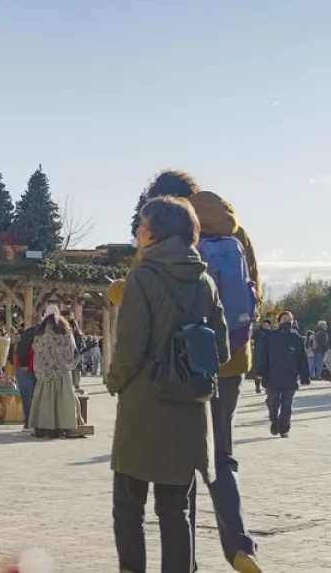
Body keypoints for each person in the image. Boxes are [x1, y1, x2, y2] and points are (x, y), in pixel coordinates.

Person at [134, 173, 265, 572]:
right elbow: (255, 292)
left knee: (181, 464)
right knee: (221, 456)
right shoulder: (234, 228)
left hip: (182, 361)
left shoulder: (166, 233)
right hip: (232, 359)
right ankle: (239, 544)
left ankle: (183, 563)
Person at [107, 196, 230, 573]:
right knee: (177, 510)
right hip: (191, 406)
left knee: (129, 505)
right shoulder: (205, 281)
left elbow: (130, 347)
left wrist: (114, 381)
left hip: (145, 406)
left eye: (142, 224)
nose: (137, 231)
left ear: (157, 232)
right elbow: (222, 349)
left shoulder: (142, 277)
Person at [29, 305, 81, 438]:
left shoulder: (40, 331)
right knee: (62, 400)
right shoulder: (64, 328)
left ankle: (42, 427)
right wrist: (64, 362)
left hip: (45, 372)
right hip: (62, 373)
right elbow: (71, 347)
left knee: (44, 399)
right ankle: (60, 427)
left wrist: (46, 362)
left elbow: (36, 348)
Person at [256, 312, 310, 437]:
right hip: (272, 376)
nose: (287, 322)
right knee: (272, 402)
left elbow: (302, 358)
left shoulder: (296, 339)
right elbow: (263, 356)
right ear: (279, 321)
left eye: (289, 320)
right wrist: (260, 371)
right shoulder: (270, 336)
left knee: (287, 405)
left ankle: (284, 428)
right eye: (284, 319)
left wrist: (304, 376)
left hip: (290, 377)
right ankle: (274, 420)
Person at [13, 323, 37, 431]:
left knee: (27, 395)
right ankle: (29, 421)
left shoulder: (32, 332)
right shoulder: (36, 333)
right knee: (30, 395)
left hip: (25, 366)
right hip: (26, 367)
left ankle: (29, 421)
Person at [251, 319, 272, 395]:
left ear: (270, 326)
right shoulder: (257, 332)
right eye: (264, 324)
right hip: (258, 355)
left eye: (267, 325)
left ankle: (267, 387)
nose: (265, 326)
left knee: (268, 372)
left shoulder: (272, 333)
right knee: (258, 372)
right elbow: (250, 338)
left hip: (268, 355)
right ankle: (257, 386)